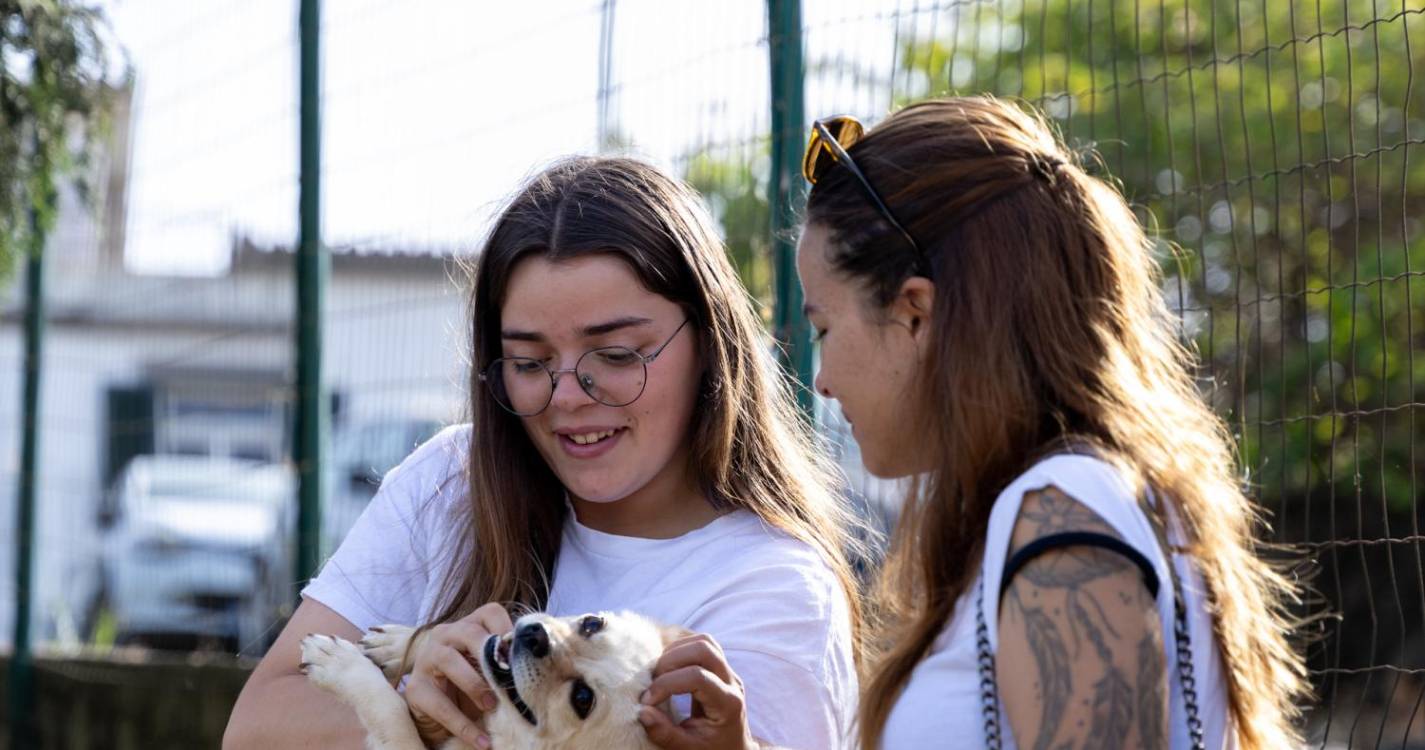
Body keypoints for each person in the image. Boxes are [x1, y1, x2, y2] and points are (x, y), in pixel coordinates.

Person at [224, 156, 864, 750]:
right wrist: (412, 716)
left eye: (615, 355)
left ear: (709, 342)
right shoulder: (451, 480)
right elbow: (256, 727)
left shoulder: (773, 591)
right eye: (529, 362)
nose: (567, 397)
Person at [795, 96, 1307, 749]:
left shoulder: (1064, 511)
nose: (821, 379)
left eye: (823, 329)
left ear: (914, 314)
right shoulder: (1063, 502)